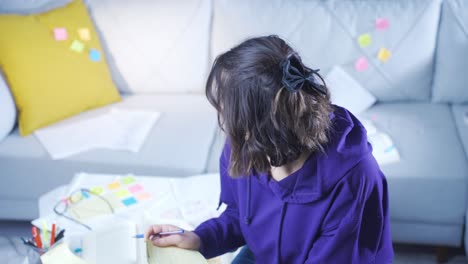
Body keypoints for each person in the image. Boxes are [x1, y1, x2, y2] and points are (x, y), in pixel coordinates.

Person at [146, 35, 394, 263]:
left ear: (261, 126)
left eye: (230, 112)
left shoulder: (354, 178)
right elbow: (239, 215)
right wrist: (200, 238)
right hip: (265, 254)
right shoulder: (242, 144)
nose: (224, 120)